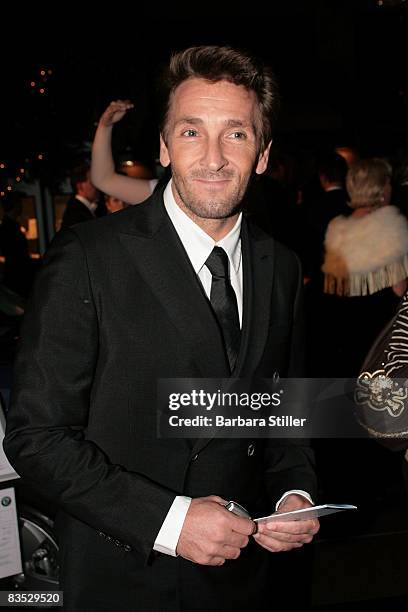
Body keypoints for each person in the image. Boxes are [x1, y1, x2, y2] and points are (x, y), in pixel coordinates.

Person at [4, 46, 319, 612]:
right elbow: (37, 438)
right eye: (192, 132)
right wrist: (171, 522)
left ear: (264, 154)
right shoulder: (88, 257)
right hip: (126, 575)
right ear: (164, 147)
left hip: (243, 577)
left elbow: (283, 410)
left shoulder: (283, 266)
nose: (215, 157)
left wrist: (294, 493)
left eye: (237, 134)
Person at [60, 164, 99, 229]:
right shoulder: (75, 214)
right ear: (80, 186)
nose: (96, 186)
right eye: (92, 182)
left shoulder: (79, 209)